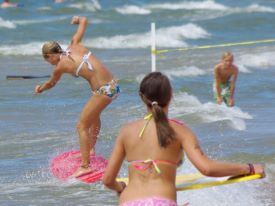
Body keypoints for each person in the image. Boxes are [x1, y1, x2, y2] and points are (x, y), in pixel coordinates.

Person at [102, 72, 264, 206]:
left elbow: (108, 179)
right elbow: (207, 168)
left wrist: (121, 186)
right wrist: (248, 168)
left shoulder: (127, 131)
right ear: (171, 95)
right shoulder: (181, 131)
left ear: (141, 96)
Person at [35, 16, 120, 177]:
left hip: (103, 91)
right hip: (113, 85)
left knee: (81, 126)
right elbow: (84, 21)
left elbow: (51, 83)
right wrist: (78, 19)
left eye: (47, 60)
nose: (49, 63)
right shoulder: (75, 44)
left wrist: (40, 88)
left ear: (50, 55)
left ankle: (86, 165)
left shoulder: (59, 66)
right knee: (94, 117)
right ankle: (91, 149)